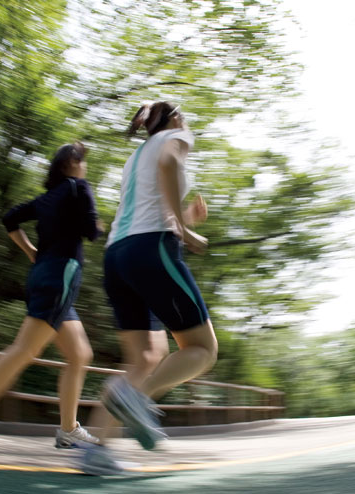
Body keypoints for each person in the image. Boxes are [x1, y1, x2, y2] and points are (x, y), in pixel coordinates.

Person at [81, 102, 218, 474]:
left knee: (143, 358)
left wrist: (185, 218)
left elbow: (147, 209)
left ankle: (96, 451)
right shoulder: (176, 135)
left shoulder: (134, 157)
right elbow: (170, 165)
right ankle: (135, 399)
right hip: (152, 249)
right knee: (203, 349)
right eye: (184, 114)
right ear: (173, 118)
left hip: (117, 256)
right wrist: (187, 229)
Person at [0, 141, 103, 451]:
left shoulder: (45, 198)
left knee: (79, 354)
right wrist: (98, 225)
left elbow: (9, 219)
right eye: (81, 160)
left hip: (43, 276)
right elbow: (92, 231)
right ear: (70, 164)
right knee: (25, 348)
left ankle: (68, 429)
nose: (84, 165)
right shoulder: (79, 188)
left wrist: (31, 251)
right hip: (62, 276)